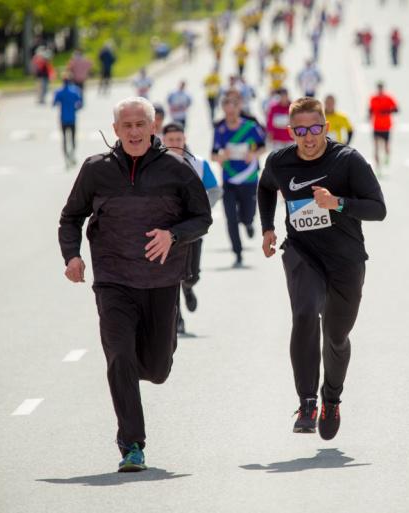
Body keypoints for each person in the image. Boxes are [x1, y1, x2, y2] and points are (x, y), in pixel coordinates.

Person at [58, 96, 212, 472]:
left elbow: (202, 219)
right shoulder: (96, 170)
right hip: (113, 280)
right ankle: (132, 445)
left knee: (157, 369)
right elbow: (70, 217)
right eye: (126, 125)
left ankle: (139, 372)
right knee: (120, 356)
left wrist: (173, 236)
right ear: (115, 130)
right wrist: (72, 256)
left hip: (160, 280)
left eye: (140, 123)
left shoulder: (177, 168)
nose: (133, 131)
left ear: (153, 126)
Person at [257, 96, 387, 440]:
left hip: (346, 259)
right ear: (291, 132)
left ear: (326, 128)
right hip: (302, 253)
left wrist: (338, 203)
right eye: (300, 131)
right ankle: (307, 401)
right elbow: (266, 187)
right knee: (303, 315)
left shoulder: (348, 161)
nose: (309, 137)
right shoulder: (280, 161)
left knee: (336, 335)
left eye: (315, 129)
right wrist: (268, 228)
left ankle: (331, 397)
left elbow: (378, 209)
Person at [162, 122, 222, 335]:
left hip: (192, 229)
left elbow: (215, 191)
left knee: (191, 275)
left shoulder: (198, 164)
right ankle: (178, 319)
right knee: (171, 277)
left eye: (178, 140)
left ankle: (188, 288)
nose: (175, 144)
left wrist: (201, 209)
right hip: (166, 231)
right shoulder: (155, 166)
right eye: (170, 140)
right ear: (163, 141)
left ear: (184, 139)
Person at [211, 90, 267, 267]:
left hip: (249, 179)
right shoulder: (220, 129)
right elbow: (213, 155)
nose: (230, 114)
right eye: (227, 111)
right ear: (223, 110)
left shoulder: (250, 127)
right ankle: (238, 252)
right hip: (229, 181)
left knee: (247, 215)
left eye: (233, 110)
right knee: (230, 218)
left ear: (239, 108)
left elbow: (263, 147)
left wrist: (254, 154)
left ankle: (249, 223)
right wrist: (221, 156)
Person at [52, 76, 83, 167]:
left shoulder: (59, 92)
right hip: (72, 118)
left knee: (64, 138)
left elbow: (54, 103)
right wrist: (75, 108)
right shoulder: (75, 91)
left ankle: (66, 157)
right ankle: (72, 153)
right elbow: (80, 104)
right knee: (73, 137)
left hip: (63, 119)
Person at [368, 81, 398, 168]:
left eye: (381, 88)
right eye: (379, 88)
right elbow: (370, 109)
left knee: (386, 145)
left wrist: (387, 111)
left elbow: (396, 109)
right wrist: (369, 117)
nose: (380, 89)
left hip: (386, 126)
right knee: (376, 146)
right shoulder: (373, 98)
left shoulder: (388, 98)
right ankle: (377, 165)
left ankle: (387, 157)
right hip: (376, 126)